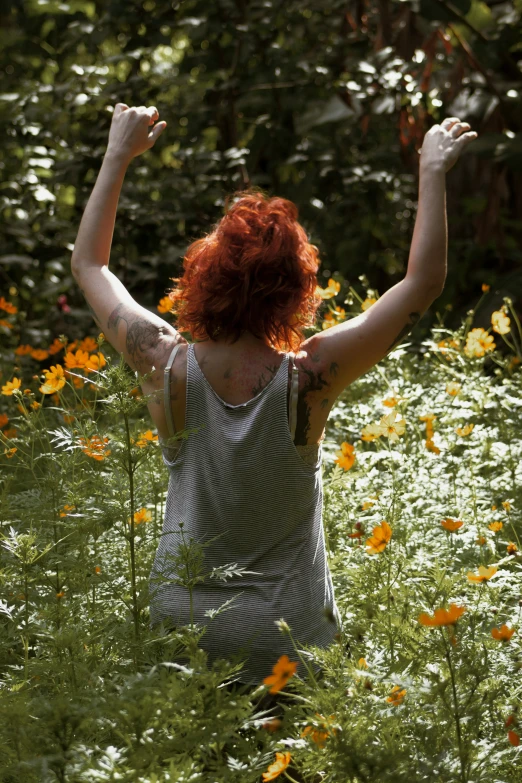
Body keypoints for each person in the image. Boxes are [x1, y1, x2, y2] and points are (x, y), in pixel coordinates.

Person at [71, 105, 477, 694]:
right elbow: (423, 284)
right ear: (296, 291)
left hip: (184, 632)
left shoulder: (163, 360)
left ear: (201, 277)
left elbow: (90, 264)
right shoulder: (310, 375)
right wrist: (432, 170)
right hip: (286, 633)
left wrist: (117, 155)